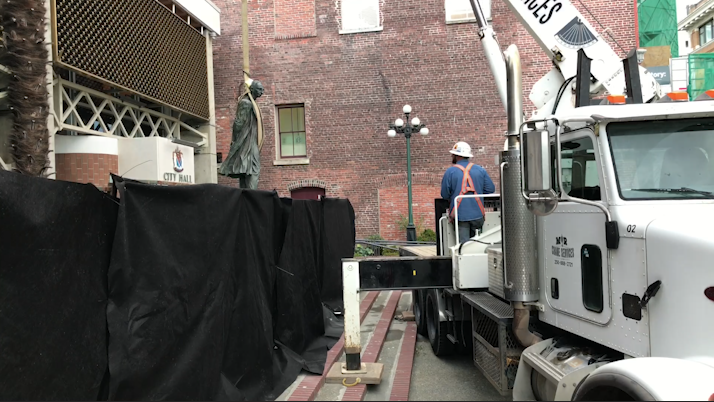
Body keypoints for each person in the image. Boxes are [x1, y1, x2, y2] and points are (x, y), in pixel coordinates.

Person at [441, 141, 496, 243]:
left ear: (457, 156)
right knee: (478, 243)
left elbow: (444, 194)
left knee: (463, 247)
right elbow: (490, 189)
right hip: (478, 214)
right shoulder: (480, 170)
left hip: (460, 215)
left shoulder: (450, 172)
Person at [219, 78, 264, 189]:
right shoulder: (246, 103)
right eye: (259, 89)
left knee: (247, 169)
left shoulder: (253, 104)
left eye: (262, 89)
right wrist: (234, 141)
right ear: (252, 89)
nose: (262, 92)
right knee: (253, 169)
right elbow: (238, 123)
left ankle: (247, 197)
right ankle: (252, 197)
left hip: (251, 139)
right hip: (246, 141)